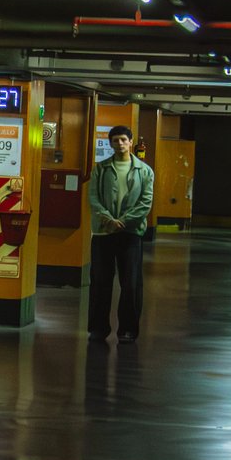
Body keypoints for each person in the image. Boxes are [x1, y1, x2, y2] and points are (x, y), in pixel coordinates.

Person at [88, 124, 155, 343]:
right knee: (100, 282)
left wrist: (123, 221)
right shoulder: (100, 169)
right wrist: (109, 219)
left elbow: (145, 203)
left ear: (131, 142)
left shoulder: (144, 171)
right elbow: (93, 198)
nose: (120, 144)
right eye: (115, 140)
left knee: (131, 283)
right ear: (110, 143)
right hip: (103, 233)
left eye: (123, 140)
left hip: (131, 233)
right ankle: (98, 328)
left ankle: (128, 330)